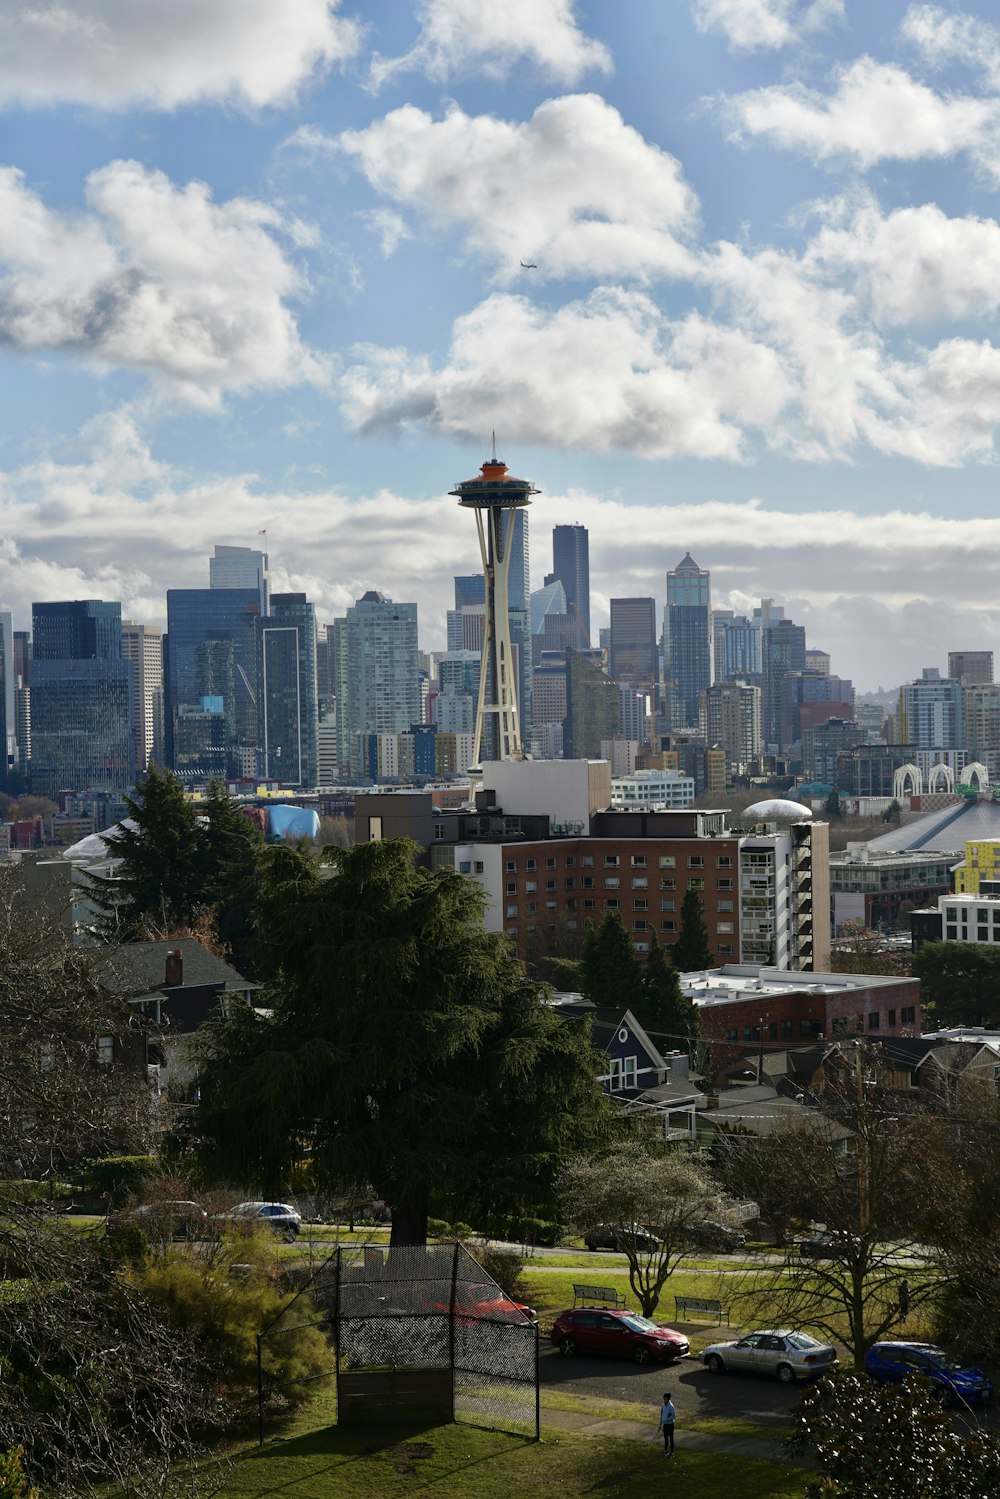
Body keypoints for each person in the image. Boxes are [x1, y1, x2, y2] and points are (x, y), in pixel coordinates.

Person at [658, 1391, 676, 1456]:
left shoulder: (671, 1407)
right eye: (663, 1398)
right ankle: (665, 1451)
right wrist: (660, 1423)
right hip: (665, 1425)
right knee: (665, 1438)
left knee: (671, 1438)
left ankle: (671, 1453)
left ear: (668, 1399)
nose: (664, 1400)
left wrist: (666, 1420)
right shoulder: (663, 1405)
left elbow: (673, 1416)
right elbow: (662, 1414)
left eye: (665, 1398)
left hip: (670, 1425)